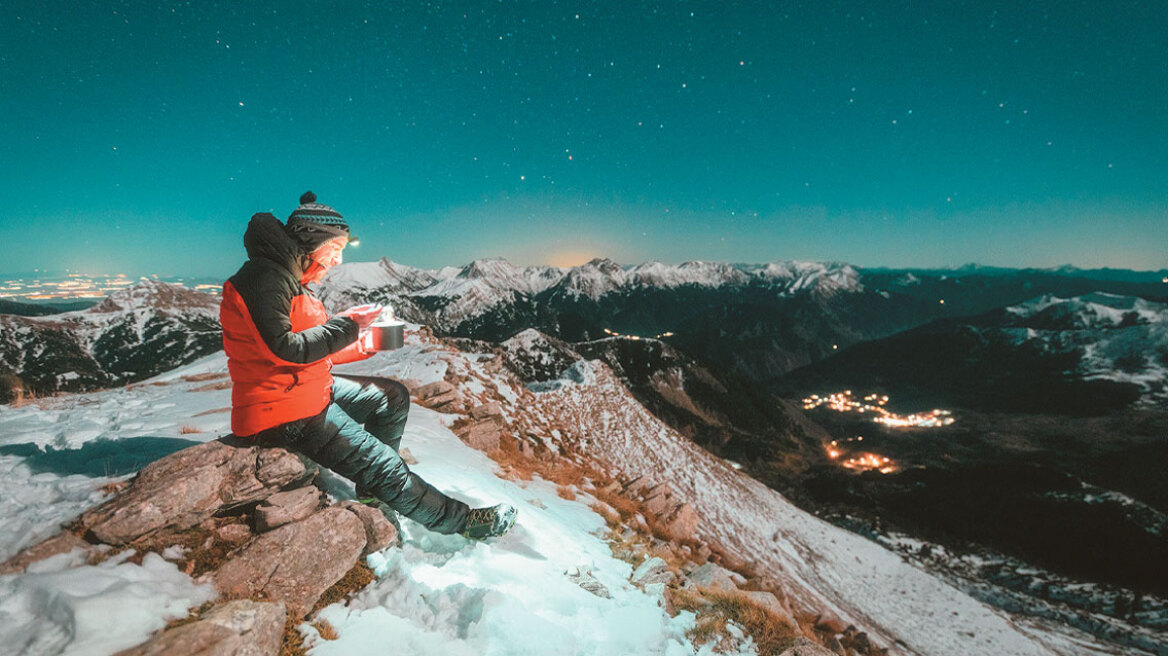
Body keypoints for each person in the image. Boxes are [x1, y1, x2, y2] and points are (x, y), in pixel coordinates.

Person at [219, 191, 516, 541]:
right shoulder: (264, 279)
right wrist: (349, 325)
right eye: (335, 248)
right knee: (384, 464)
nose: (339, 259)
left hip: (304, 390)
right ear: (312, 240)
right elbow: (285, 349)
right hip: (283, 413)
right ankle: (463, 523)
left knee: (391, 397)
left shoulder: (289, 278)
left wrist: (366, 343)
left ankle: (375, 492)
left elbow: (312, 349)